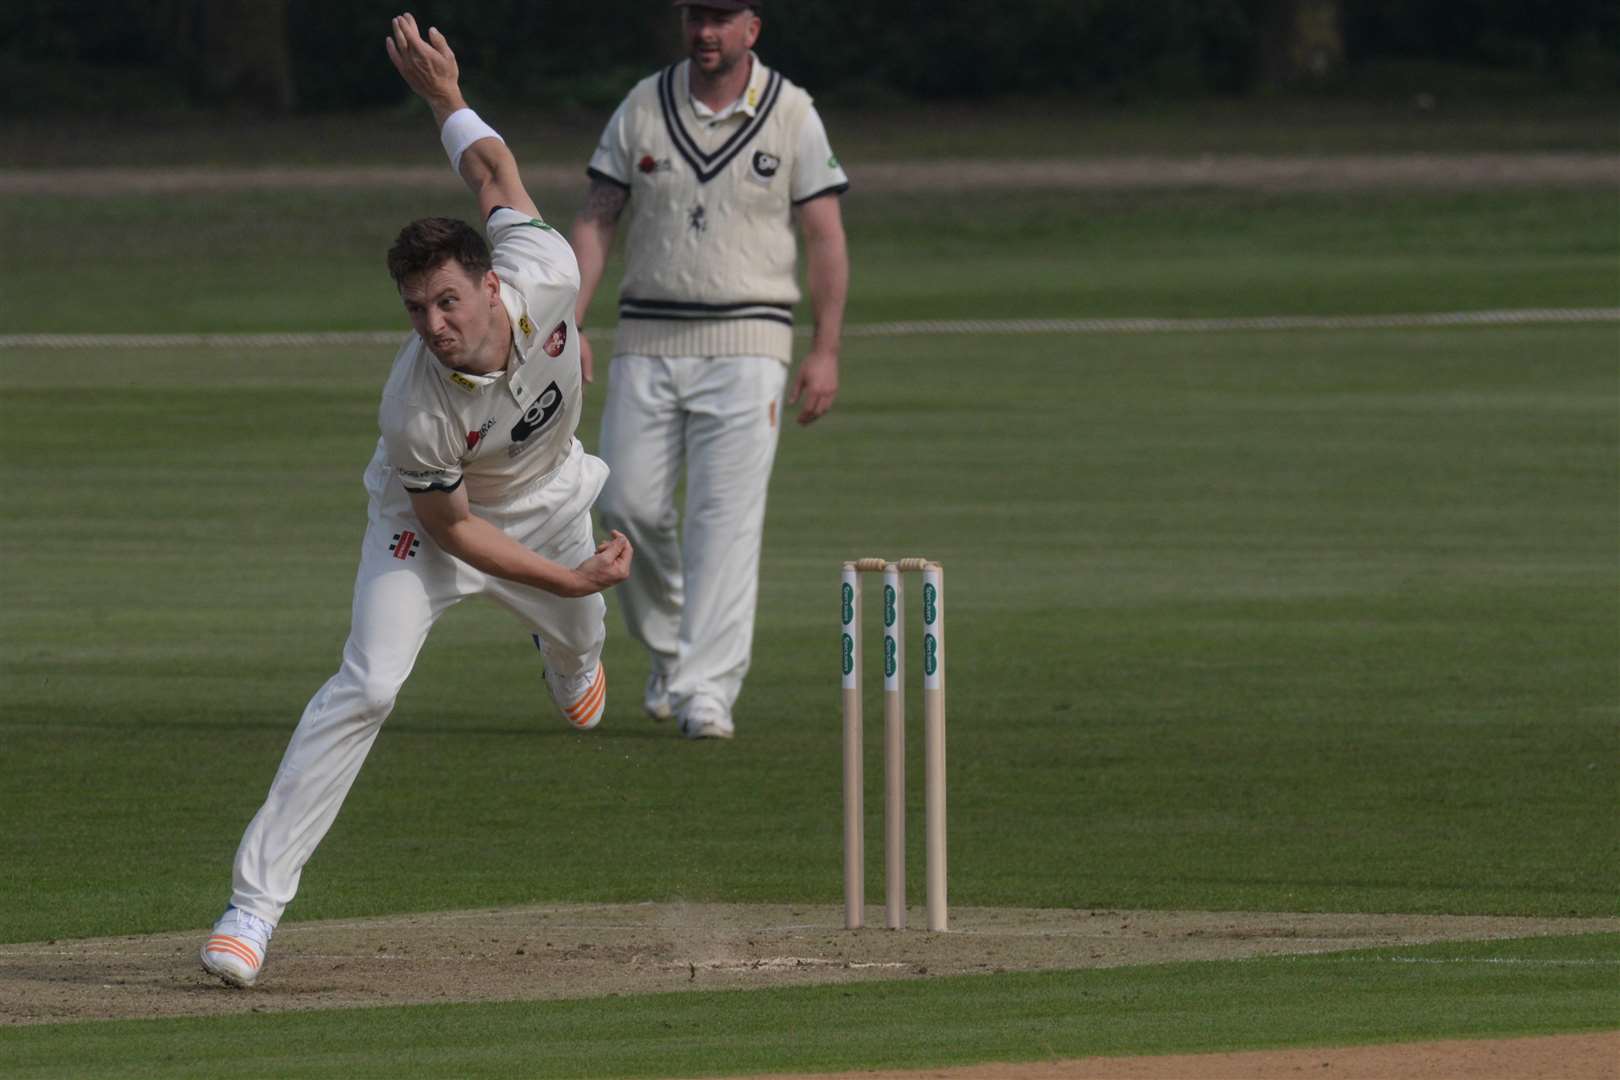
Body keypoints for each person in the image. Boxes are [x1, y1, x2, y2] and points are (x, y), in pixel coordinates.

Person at [200, 13, 633, 989]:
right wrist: (564, 575)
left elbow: (492, 175)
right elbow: (457, 530)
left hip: (554, 493)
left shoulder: (550, 269)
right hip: (431, 530)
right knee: (371, 682)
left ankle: (564, 651)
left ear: (490, 283)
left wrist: (445, 97)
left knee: (583, 660)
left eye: (447, 302)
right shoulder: (414, 409)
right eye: (415, 311)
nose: (434, 327)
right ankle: (252, 908)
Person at [569, 0, 850, 740]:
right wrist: (567, 322)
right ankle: (671, 655)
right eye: (697, 15)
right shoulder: (643, 105)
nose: (707, 31)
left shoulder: (792, 113)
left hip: (751, 345)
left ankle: (708, 694)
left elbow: (824, 235)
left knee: (724, 523)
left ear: (752, 28)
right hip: (648, 339)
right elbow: (598, 216)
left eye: (723, 17)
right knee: (625, 503)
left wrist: (825, 348)